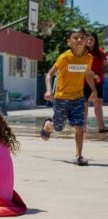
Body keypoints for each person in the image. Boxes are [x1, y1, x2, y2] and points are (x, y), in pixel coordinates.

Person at [41, 28, 98, 166]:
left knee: (80, 126)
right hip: (61, 98)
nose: (80, 40)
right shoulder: (64, 57)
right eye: (76, 38)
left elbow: (86, 74)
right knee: (59, 127)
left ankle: (79, 156)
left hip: (78, 97)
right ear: (69, 42)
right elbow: (49, 74)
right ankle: (49, 124)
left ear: (86, 41)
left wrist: (94, 91)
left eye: (82, 38)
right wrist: (49, 90)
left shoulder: (88, 58)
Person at [83, 32, 107, 133]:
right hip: (84, 82)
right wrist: (94, 75)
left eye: (91, 39)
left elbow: (105, 66)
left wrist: (101, 75)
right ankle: (82, 126)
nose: (89, 41)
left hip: (98, 82)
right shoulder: (83, 52)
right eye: (87, 39)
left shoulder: (100, 52)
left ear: (95, 40)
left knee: (98, 104)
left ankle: (101, 126)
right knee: (84, 104)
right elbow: (85, 67)